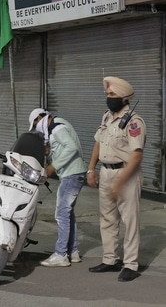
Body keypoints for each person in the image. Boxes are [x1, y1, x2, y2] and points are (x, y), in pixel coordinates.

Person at [87, 76, 146, 282]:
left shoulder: (134, 121)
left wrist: (120, 183)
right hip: (106, 173)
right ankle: (110, 260)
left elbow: (137, 155)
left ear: (123, 97)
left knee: (130, 221)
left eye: (111, 94)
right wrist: (91, 169)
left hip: (126, 174)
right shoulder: (106, 117)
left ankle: (130, 264)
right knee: (107, 219)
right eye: (107, 94)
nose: (108, 97)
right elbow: (98, 143)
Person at [29, 108, 87, 267]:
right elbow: (63, 147)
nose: (36, 127)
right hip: (75, 173)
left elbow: (71, 147)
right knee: (68, 214)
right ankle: (72, 252)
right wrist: (49, 151)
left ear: (40, 117)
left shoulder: (56, 126)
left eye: (35, 123)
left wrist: (52, 166)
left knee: (61, 214)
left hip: (71, 174)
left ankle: (61, 254)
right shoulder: (56, 126)